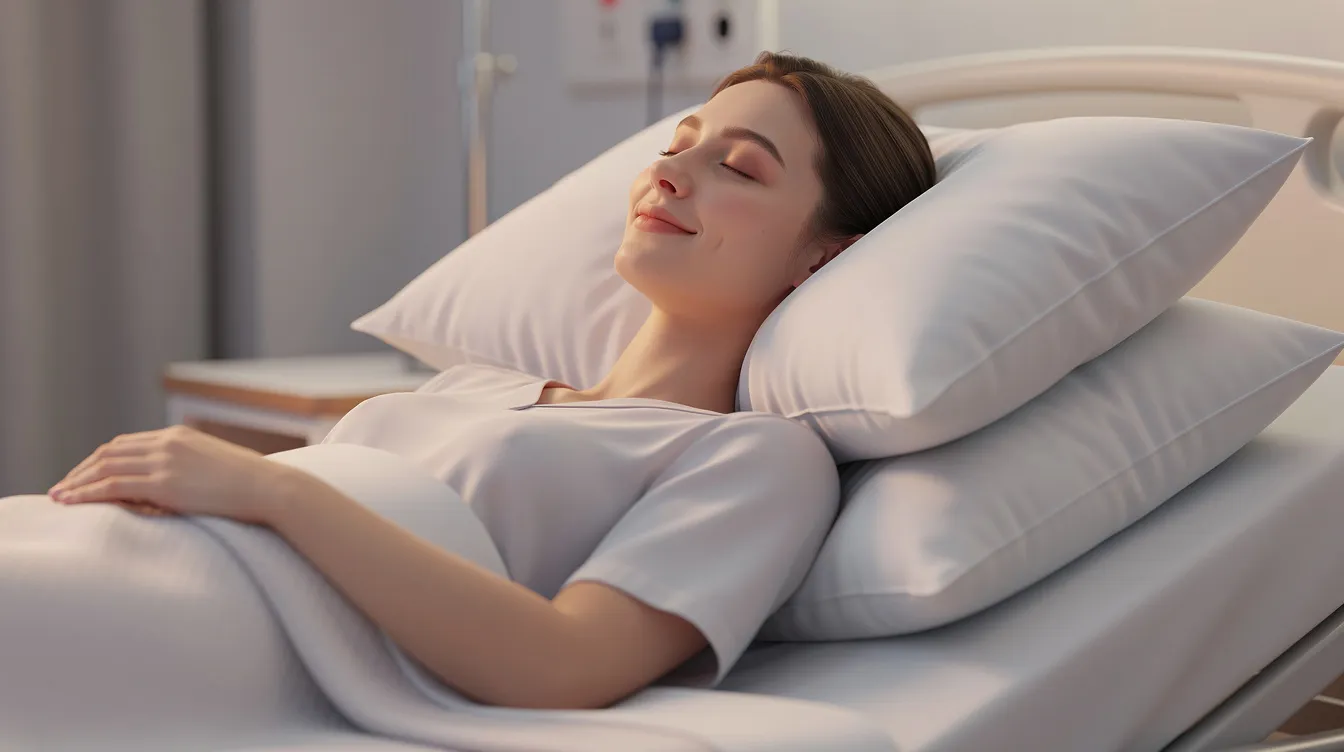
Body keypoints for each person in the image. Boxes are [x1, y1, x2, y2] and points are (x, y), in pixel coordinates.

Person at [40, 52, 936, 711]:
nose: (668, 172)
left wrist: (268, 488)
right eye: (679, 144)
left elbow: (567, 665)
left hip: (211, 638)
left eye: (737, 168)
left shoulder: (755, 458)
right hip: (112, 558)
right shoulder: (476, 387)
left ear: (825, 259)